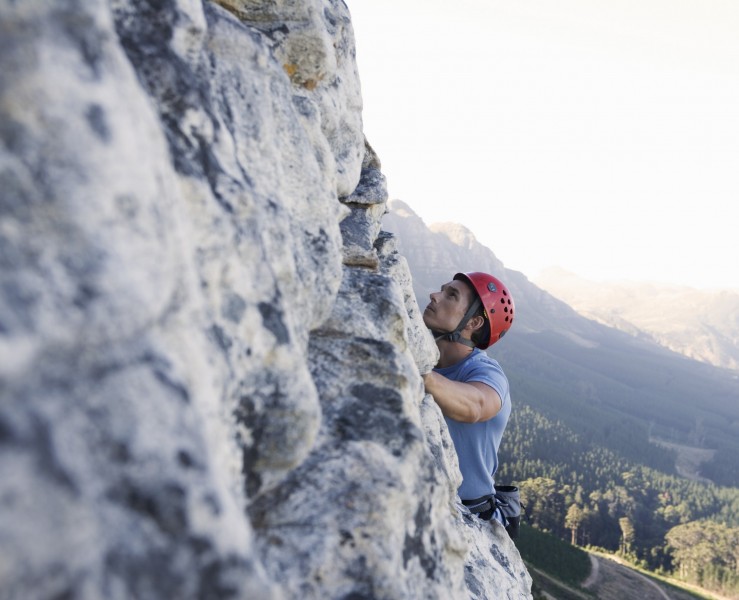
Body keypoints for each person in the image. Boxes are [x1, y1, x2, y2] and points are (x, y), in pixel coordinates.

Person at [422, 272, 515, 523]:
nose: (435, 295)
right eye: (442, 290)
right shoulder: (427, 354)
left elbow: (476, 405)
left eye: (450, 295)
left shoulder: (487, 373)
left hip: (467, 516)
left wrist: (420, 373)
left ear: (473, 323)